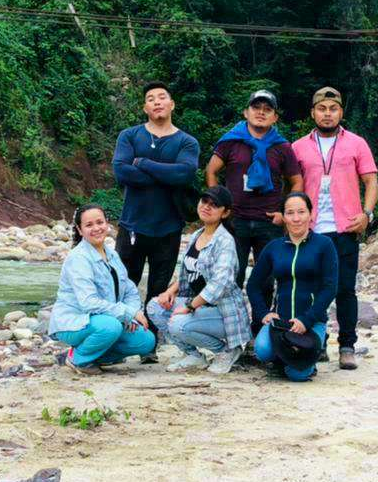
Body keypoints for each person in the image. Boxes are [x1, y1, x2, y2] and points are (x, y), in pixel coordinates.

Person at [112, 81, 200, 362]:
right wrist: (164, 175)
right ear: (145, 107)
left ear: (172, 104)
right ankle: (119, 340)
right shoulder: (129, 136)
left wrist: (144, 164)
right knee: (123, 284)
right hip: (133, 225)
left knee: (159, 289)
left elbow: (184, 174)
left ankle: (149, 345)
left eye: (162, 97)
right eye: (151, 99)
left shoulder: (186, 141)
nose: (157, 102)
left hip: (168, 227)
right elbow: (122, 172)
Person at [292, 87, 378, 370]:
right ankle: (317, 343)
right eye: (322, 109)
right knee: (312, 291)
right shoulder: (298, 147)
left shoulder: (356, 143)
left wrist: (366, 214)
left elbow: (371, 182)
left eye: (333, 109)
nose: (327, 114)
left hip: (346, 229)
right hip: (311, 230)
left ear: (341, 112)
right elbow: (293, 187)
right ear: (313, 113)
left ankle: (347, 346)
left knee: (345, 290)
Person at [206, 90, 303, 333]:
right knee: (231, 277)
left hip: (268, 222)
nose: (261, 112)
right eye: (256, 107)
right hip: (234, 221)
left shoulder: (282, 147)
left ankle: (261, 330)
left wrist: (285, 211)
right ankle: (232, 330)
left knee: (267, 278)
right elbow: (211, 171)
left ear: (274, 117)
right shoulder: (231, 141)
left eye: (267, 109)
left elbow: (297, 181)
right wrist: (219, 205)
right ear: (246, 112)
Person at [146, 186, 251, 374]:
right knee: (155, 307)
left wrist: (190, 306)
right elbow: (189, 272)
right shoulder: (196, 235)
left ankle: (226, 351)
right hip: (198, 306)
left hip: (223, 311)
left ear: (225, 212)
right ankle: (193, 355)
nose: (207, 207)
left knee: (178, 323)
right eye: (204, 201)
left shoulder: (225, 241)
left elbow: (220, 284)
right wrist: (170, 291)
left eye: (214, 205)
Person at [48, 205, 156, 375]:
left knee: (146, 340)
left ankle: (96, 356)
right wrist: (126, 312)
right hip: (74, 322)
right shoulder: (79, 258)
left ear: (107, 224)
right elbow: (88, 303)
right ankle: (78, 358)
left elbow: (130, 290)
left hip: (105, 319)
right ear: (80, 229)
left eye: (100, 222)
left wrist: (133, 313)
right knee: (110, 326)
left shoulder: (112, 254)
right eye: (89, 225)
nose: (96, 228)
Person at [247, 192, 338, 381]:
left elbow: (330, 287)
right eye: (290, 213)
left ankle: (310, 352)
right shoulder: (274, 247)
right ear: (283, 217)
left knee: (297, 375)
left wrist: (307, 320)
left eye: (301, 212)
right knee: (262, 350)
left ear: (311, 214)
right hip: (281, 321)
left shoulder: (324, 244)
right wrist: (264, 312)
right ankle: (284, 357)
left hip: (312, 322)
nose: (296, 218)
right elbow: (253, 285)